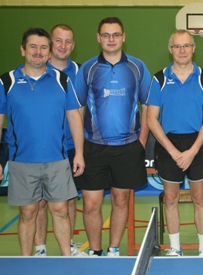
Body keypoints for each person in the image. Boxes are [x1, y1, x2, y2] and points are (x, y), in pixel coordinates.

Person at [0, 27, 85, 256]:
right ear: (23, 50)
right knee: (28, 213)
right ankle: (27, 260)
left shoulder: (62, 80)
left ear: (49, 53)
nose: (38, 52)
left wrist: (79, 152)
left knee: (60, 210)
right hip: (22, 161)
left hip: (57, 160)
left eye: (43, 47)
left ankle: (66, 258)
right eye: (33, 47)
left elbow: (74, 117)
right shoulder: (6, 82)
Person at [74, 17, 152, 256]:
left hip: (128, 147)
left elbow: (148, 105)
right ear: (98, 38)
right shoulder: (88, 69)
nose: (111, 39)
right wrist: (79, 149)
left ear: (123, 37)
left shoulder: (137, 67)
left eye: (115, 35)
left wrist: (141, 142)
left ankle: (113, 249)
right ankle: (95, 251)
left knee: (120, 201)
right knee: (91, 204)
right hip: (93, 147)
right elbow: (76, 109)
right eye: (106, 35)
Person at [146, 30, 203, 256]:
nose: (182, 50)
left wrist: (192, 151)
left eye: (186, 46)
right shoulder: (159, 79)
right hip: (169, 144)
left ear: (193, 48)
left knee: (199, 198)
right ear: (170, 50)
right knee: (171, 198)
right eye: (177, 46)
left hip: (197, 142)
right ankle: (175, 248)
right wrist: (174, 151)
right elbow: (151, 119)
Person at [34, 24, 86, 256]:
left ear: (73, 45)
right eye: (58, 41)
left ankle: (70, 246)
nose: (63, 46)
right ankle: (40, 249)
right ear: (50, 43)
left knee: (69, 200)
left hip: (71, 146)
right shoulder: (36, 71)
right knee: (39, 203)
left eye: (68, 42)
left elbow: (83, 109)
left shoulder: (80, 72)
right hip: (41, 147)